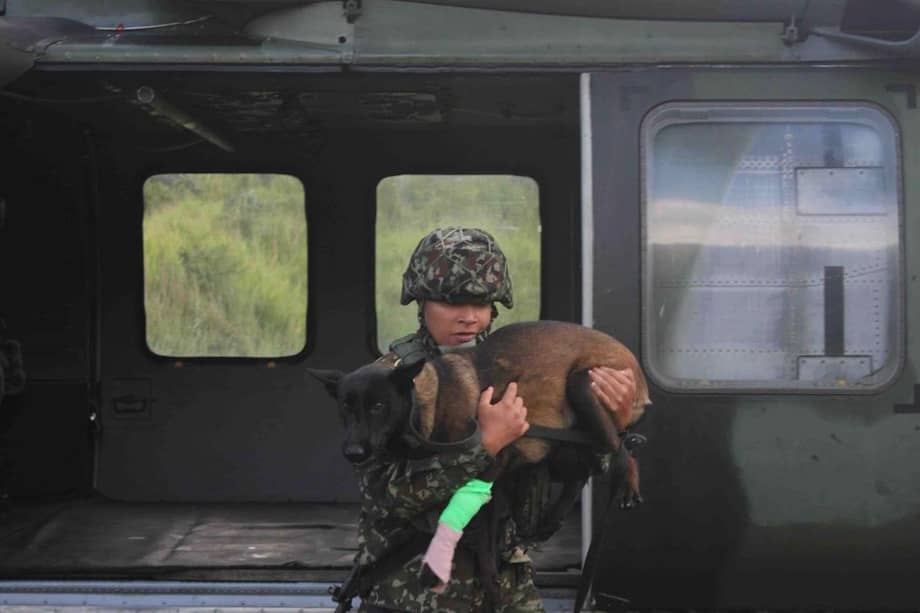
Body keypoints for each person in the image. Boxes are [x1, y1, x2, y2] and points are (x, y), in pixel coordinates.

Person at [354, 226, 636, 613]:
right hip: (414, 594)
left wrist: (613, 426)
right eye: (452, 303)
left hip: (505, 591)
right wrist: (485, 446)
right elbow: (387, 497)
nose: (469, 317)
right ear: (420, 302)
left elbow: (564, 470)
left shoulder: (515, 371)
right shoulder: (386, 384)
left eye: (483, 304)